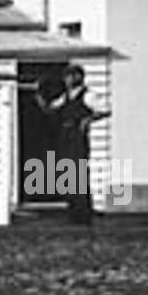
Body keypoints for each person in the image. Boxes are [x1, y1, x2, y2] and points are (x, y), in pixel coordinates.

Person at [53, 66, 111, 225]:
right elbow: (52, 107)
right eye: (65, 77)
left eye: (69, 77)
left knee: (79, 172)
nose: (66, 80)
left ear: (78, 77)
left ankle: (83, 213)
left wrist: (87, 120)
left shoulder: (88, 95)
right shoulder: (66, 97)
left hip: (77, 136)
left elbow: (105, 110)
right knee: (67, 171)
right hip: (65, 135)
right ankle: (73, 211)